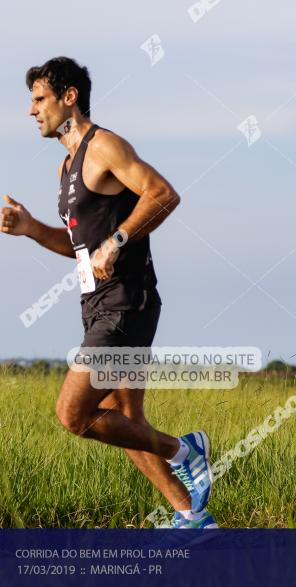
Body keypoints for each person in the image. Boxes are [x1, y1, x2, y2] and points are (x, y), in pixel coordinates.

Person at [1, 56, 215, 528]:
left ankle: (186, 449)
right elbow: (81, 248)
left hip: (125, 303)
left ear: (69, 96)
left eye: (39, 99)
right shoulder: (66, 166)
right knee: (124, 420)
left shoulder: (104, 147)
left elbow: (163, 193)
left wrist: (118, 242)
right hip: (97, 304)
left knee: (74, 414)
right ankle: (192, 517)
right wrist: (32, 228)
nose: (31, 111)